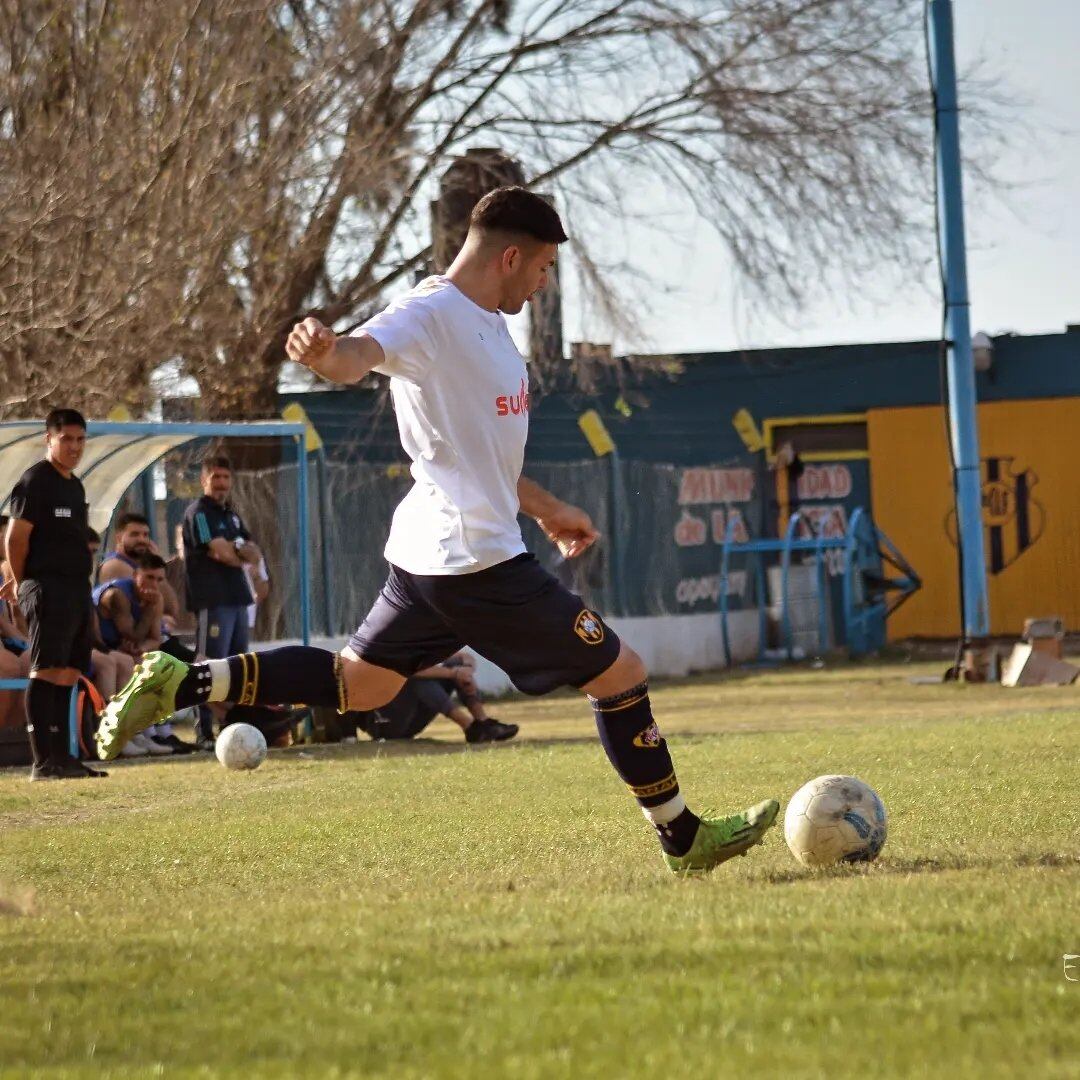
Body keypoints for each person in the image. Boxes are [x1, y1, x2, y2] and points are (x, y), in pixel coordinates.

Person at [97, 187, 777, 871]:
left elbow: (478, 454)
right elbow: (357, 355)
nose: (543, 285)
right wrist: (322, 352)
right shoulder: (430, 313)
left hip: (433, 553)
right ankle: (683, 838)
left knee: (361, 684)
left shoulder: (487, 321)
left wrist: (544, 508)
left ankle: (181, 680)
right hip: (475, 561)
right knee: (621, 674)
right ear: (510, 257)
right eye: (541, 269)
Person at [3, 409, 107, 779]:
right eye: (66, 439)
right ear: (49, 439)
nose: (75, 447)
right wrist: (20, 581)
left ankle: (65, 757)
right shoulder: (36, 481)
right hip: (47, 587)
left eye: (80, 439)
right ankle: (42, 760)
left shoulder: (74, 485)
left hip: (77, 588)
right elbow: (16, 538)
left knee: (68, 672)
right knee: (45, 670)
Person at [181, 456, 263, 749]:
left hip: (238, 597)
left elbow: (253, 552)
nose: (221, 484)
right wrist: (235, 551)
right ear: (204, 479)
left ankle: (235, 726)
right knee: (208, 664)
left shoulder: (232, 515)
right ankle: (203, 731)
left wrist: (236, 550)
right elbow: (220, 552)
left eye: (226, 478)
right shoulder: (199, 513)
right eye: (216, 477)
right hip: (213, 599)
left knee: (238, 666)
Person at [363, 650, 518, 743]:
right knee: (415, 678)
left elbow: (464, 657)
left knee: (455, 663)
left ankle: (483, 724)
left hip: (412, 719)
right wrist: (455, 673)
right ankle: (470, 727)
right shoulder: (388, 640)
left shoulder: (421, 639)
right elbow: (410, 670)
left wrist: (466, 672)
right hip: (387, 723)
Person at [98, 511, 180, 635]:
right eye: (134, 535)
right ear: (119, 538)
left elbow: (171, 609)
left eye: (145, 535)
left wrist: (156, 561)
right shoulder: (115, 565)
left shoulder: (142, 566)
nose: (141, 540)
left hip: (151, 638)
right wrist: (159, 620)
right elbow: (138, 614)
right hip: (124, 643)